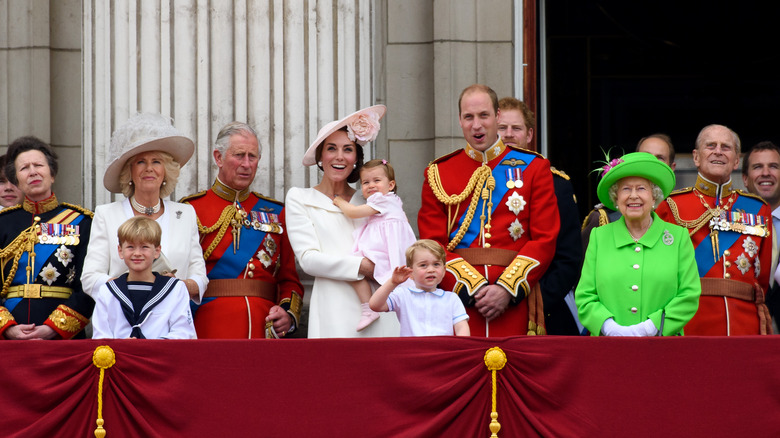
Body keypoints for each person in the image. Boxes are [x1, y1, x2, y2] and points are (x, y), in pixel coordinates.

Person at [418, 84, 560, 337]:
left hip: (515, 301)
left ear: (497, 117)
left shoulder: (534, 168)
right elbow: (432, 244)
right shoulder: (438, 172)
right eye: (468, 117)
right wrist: (471, 288)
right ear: (460, 120)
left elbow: (544, 239)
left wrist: (507, 289)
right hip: (458, 303)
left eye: (484, 115)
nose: (476, 125)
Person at [286, 105, 400, 338]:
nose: (339, 156)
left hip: (381, 304)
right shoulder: (300, 198)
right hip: (332, 307)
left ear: (356, 158)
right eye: (331, 148)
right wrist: (362, 267)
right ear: (320, 156)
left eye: (347, 149)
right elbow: (309, 260)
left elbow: (397, 239)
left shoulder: (371, 200)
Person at [182, 122, 303, 339]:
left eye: (252, 156)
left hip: (263, 326)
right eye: (239, 155)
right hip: (208, 325)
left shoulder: (277, 212)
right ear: (218, 158)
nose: (246, 164)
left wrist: (286, 312)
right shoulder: (190, 209)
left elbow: (289, 278)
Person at [656, 124, 773, 335]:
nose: (718, 151)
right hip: (691, 321)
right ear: (696, 157)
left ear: (737, 160)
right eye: (710, 145)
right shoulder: (671, 206)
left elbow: (762, 278)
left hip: (744, 325)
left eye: (726, 147)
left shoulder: (758, 209)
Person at [81, 113, 208, 307]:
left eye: (156, 161)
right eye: (141, 162)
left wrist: (175, 287)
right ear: (129, 172)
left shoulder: (185, 214)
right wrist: (128, 288)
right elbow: (90, 278)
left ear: (166, 171)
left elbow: (200, 278)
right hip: (122, 317)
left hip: (171, 319)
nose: (149, 168)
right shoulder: (106, 214)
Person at [576, 152, 700, 336]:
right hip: (608, 348)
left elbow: (688, 295)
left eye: (641, 188)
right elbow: (585, 296)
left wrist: (651, 327)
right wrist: (609, 328)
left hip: (663, 348)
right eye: (626, 189)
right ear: (616, 198)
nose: (633, 196)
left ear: (654, 196)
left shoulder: (678, 237)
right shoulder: (599, 237)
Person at [498, 96, 582, 335]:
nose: (509, 134)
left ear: (530, 135)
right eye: (502, 128)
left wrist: (529, 301)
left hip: (543, 310)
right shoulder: (474, 184)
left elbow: (568, 259)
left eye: (517, 128)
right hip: (485, 308)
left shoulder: (556, 184)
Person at [0, 136, 93, 339]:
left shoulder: (82, 221)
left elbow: (88, 285)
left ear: (52, 174)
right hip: (9, 337)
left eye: (38, 165)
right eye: (24, 168)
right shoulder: (3, 223)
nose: (32, 171)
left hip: (63, 338)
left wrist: (54, 327)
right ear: (16, 180)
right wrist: (7, 327)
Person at [333, 158, 417, 331]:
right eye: (365, 182)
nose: (371, 185)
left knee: (352, 266)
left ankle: (367, 308)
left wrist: (339, 201)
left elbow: (353, 212)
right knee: (355, 268)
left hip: (385, 250)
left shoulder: (381, 200)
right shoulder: (394, 201)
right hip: (388, 247)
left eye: (377, 180)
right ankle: (369, 308)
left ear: (391, 184)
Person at [92, 216, 196, 339]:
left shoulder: (176, 289)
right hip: (119, 356)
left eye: (144, 247)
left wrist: (144, 348)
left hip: (160, 357)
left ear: (157, 251)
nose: (137, 253)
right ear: (120, 251)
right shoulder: (107, 291)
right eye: (130, 247)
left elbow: (183, 334)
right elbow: (100, 337)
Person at [581, 134, 676, 254]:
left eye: (660, 158)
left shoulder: (678, 213)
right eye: (645, 156)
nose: (634, 196)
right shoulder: (604, 219)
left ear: (671, 168)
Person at [369, 239, 470, 336]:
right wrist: (392, 283)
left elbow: (461, 327)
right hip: (412, 351)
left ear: (444, 271)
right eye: (423, 265)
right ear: (411, 272)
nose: (431, 269)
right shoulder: (402, 294)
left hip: (443, 351)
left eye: (436, 264)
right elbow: (375, 305)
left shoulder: (452, 298)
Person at [740, 141, 780, 329]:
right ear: (745, 179)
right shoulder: (729, 224)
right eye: (758, 167)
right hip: (746, 331)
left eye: (773, 166)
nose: (766, 173)